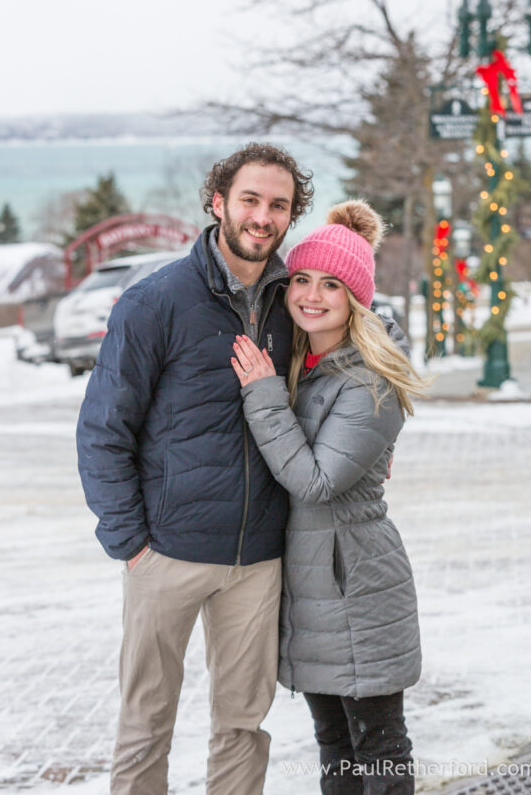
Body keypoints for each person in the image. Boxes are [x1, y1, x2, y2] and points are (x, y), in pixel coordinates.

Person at [76, 142, 313, 795]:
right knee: (146, 722)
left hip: (258, 560)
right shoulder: (154, 302)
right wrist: (131, 542)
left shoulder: (294, 304)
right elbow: (103, 431)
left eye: (278, 205)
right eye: (250, 200)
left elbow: (344, 367)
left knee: (243, 725)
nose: (262, 216)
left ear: (291, 215)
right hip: (166, 553)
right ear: (217, 203)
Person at [230, 199, 427, 794]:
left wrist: (263, 394)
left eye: (331, 285)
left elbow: (317, 482)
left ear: (356, 298)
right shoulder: (306, 360)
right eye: (302, 280)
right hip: (314, 583)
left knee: (378, 746)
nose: (311, 295)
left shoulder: (370, 378)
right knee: (335, 744)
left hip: (355, 583)